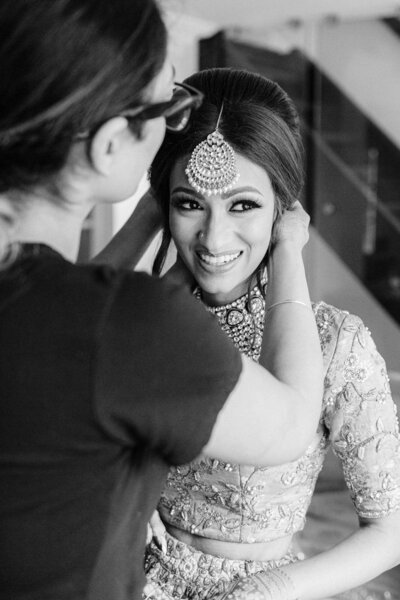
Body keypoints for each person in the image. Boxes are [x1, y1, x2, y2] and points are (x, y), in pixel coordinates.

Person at [0, 3, 324, 600]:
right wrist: (290, 246)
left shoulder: (49, 303)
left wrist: (166, 199)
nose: (177, 123)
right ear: (109, 144)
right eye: (169, 108)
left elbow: (68, 315)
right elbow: (294, 421)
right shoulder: (134, 323)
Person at [140, 68, 400, 600]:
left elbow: (391, 529)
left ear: (283, 205)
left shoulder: (335, 342)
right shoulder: (138, 317)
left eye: (243, 205)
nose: (214, 238)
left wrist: (266, 590)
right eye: (190, 203)